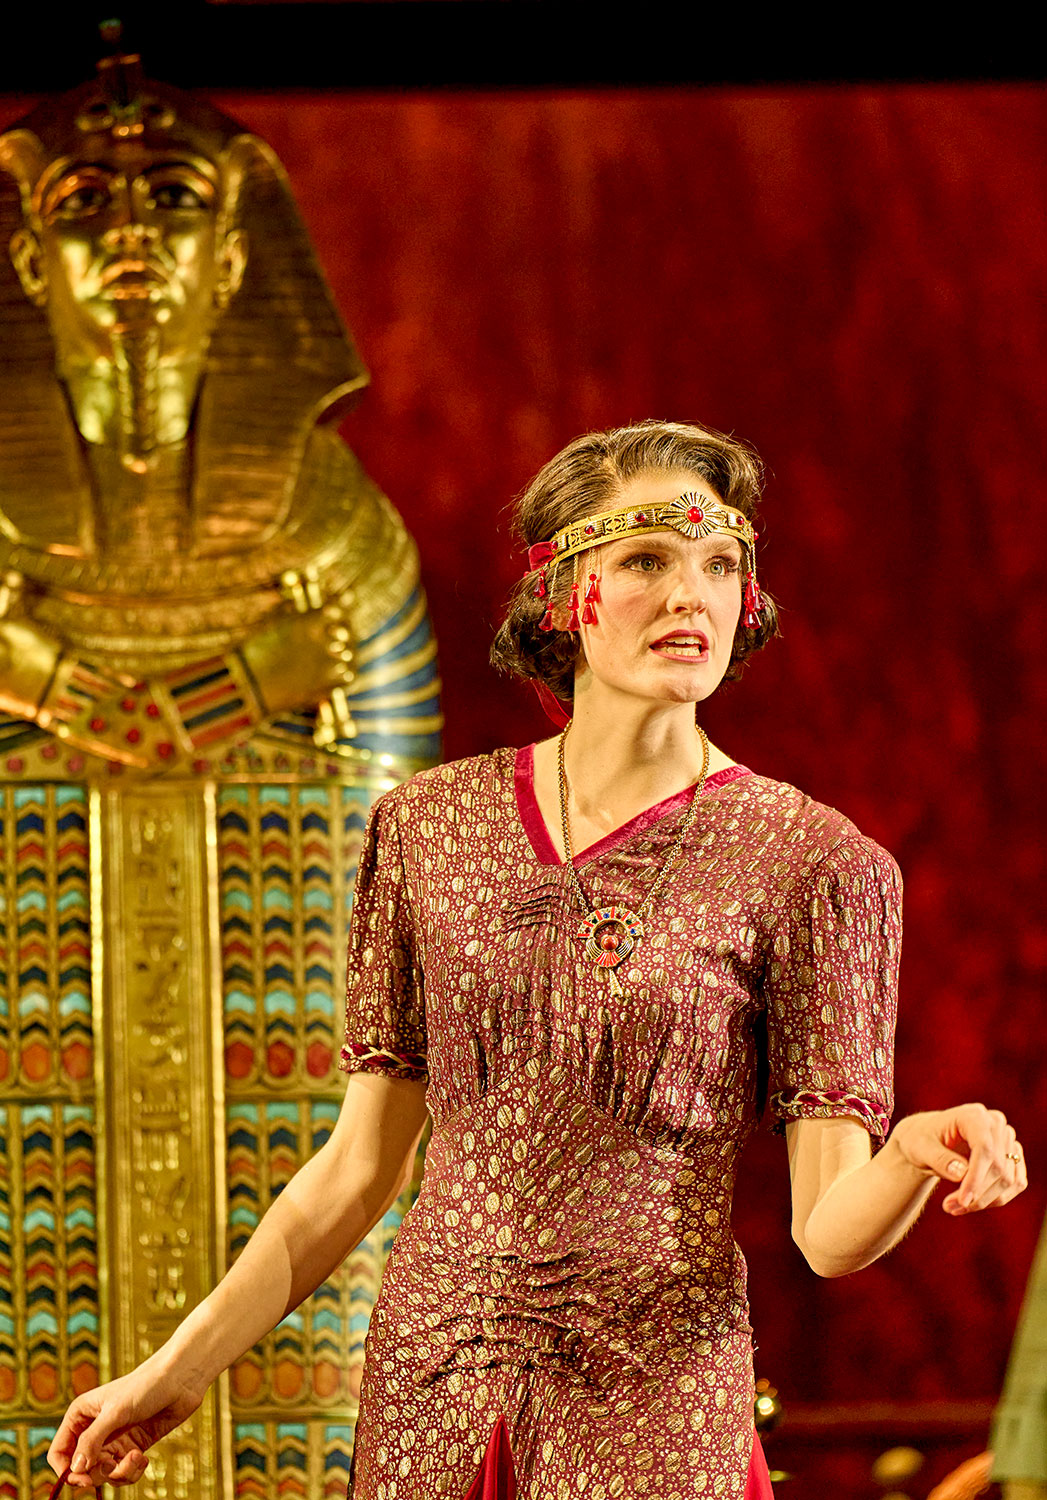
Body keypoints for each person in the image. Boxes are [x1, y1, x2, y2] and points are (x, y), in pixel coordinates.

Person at [47, 420, 1028, 1500]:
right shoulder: (428, 828)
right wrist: (175, 1374)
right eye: (645, 560)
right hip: (432, 1402)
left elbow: (828, 1235)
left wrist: (915, 1151)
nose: (690, 596)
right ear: (563, 594)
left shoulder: (816, 862)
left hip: (656, 1412)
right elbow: (359, 1168)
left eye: (720, 564)